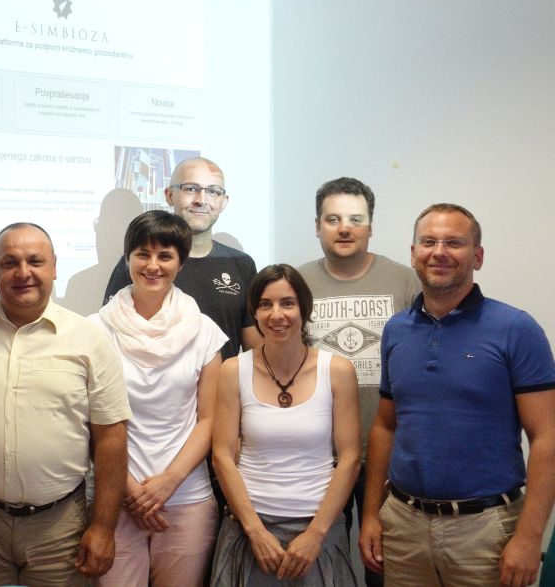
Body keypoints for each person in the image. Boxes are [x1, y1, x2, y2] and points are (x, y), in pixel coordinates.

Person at [359, 204, 555, 587]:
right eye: (428, 242)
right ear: (413, 253)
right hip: (403, 525)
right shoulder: (396, 330)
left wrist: (529, 537)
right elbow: (384, 426)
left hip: (485, 531)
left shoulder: (516, 329)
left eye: (454, 243)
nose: (439, 252)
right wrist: (370, 515)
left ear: (477, 256)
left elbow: (547, 437)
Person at [0, 222, 131, 587]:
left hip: (60, 526)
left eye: (35, 261)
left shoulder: (89, 339)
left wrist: (105, 526)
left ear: (54, 267)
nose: (23, 272)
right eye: (9, 262)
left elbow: (111, 438)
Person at [89, 211, 226, 587]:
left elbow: (208, 420)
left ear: (180, 263)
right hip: (115, 500)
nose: (153, 266)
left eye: (165, 256)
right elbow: (88, 422)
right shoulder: (94, 330)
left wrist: (168, 482)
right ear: (127, 259)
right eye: (142, 254)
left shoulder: (204, 332)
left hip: (187, 497)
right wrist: (130, 490)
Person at [295, 177, 418, 587]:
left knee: (383, 569)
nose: (344, 228)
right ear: (317, 226)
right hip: (317, 457)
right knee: (317, 568)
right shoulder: (296, 283)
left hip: (389, 457)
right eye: (333, 219)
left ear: (371, 226)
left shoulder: (405, 282)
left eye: (355, 219)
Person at [211, 264, 360, 585]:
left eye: (287, 303)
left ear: (304, 309)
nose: (276, 314)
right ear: (254, 313)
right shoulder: (233, 370)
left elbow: (350, 458)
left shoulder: (338, 371)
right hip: (250, 528)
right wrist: (254, 531)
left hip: (318, 529)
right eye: (265, 304)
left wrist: (315, 534)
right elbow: (221, 455)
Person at [104, 156, 260, 361]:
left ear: (223, 202)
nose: (201, 200)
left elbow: (255, 352)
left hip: (222, 381)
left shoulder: (242, 264)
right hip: (149, 378)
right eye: (190, 188)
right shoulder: (138, 266)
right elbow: (110, 337)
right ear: (169, 195)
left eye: (213, 191)